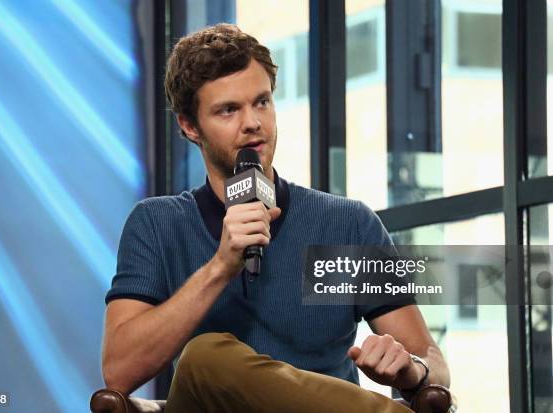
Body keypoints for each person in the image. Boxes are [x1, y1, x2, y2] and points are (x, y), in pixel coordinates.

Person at [101, 23, 450, 413]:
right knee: (205, 356)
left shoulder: (346, 224)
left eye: (262, 102)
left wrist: (411, 371)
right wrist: (219, 267)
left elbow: (434, 366)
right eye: (228, 110)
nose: (252, 122)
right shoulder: (157, 224)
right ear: (189, 125)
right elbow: (119, 370)